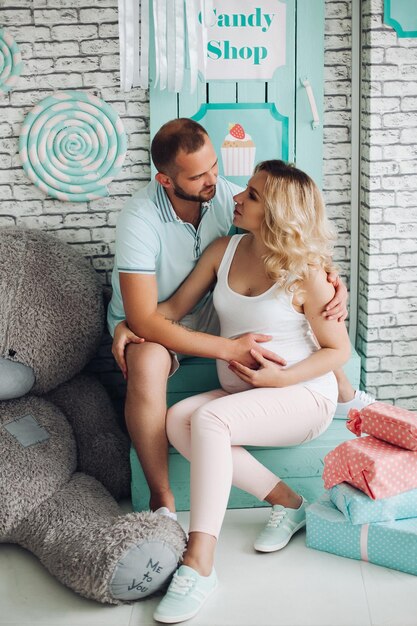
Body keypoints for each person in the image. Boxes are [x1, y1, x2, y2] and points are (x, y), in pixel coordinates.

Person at [107, 118, 373, 520]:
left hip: (217, 316)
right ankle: (163, 500)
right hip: (159, 319)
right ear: (166, 180)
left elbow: (288, 226)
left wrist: (332, 281)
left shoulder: (226, 195)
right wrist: (135, 325)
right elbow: (155, 315)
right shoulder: (139, 219)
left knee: (298, 328)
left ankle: (344, 396)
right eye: (198, 175)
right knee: (150, 367)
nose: (215, 181)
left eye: (215, 166)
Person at [147, 159, 351, 622]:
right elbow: (172, 309)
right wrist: (129, 325)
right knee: (178, 421)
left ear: (278, 212)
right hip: (245, 398)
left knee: (208, 419)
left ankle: (199, 564)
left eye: (253, 195)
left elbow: (336, 349)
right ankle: (289, 504)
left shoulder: (308, 273)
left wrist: (280, 378)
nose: (237, 197)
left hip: (303, 396)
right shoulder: (224, 250)